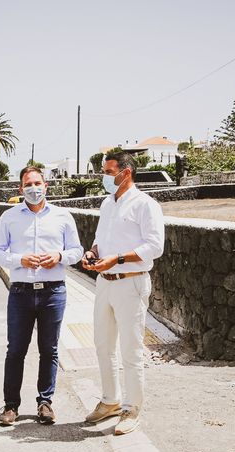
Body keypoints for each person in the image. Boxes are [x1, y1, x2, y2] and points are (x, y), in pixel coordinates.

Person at [0, 166, 83, 426]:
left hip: (53, 291)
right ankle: (11, 406)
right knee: (16, 350)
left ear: (46, 186)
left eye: (37, 183)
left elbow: (76, 250)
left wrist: (60, 257)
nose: (33, 188)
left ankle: (45, 403)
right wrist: (20, 259)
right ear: (20, 188)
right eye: (28, 184)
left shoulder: (63, 216)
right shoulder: (9, 217)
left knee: (49, 350)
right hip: (20, 293)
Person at [81, 152, 164, 435]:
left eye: (108, 171)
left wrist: (116, 259)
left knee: (131, 349)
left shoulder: (145, 205)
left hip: (131, 282)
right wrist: (92, 252)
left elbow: (155, 246)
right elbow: (101, 238)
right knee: (103, 345)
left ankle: (132, 408)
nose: (104, 176)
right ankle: (110, 400)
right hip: (104, 282)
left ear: (125, 172)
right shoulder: (107, 203)